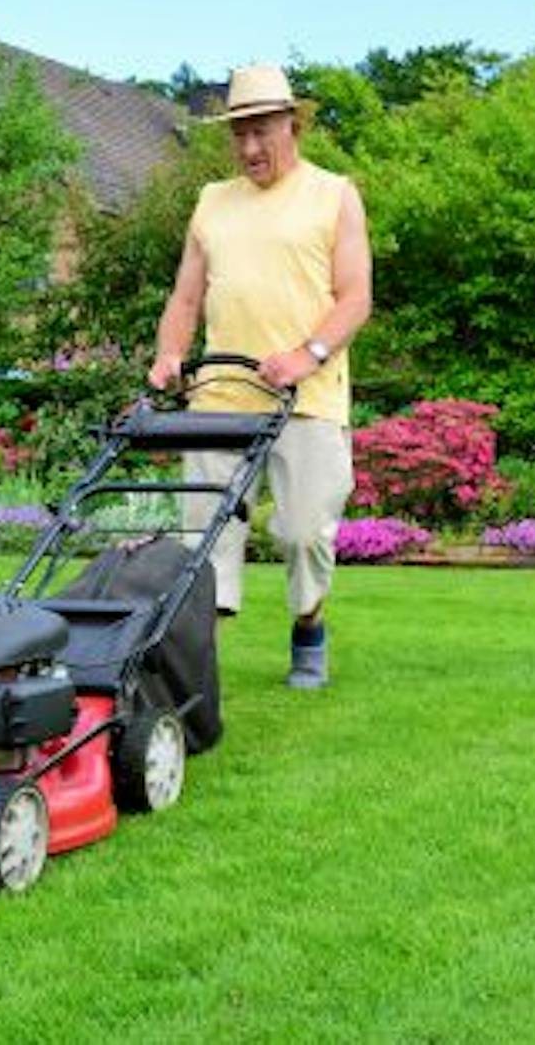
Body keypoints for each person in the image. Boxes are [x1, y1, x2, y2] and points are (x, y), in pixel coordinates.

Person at [147, 64, 372, 690]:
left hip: (307, 397)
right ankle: (200, 668)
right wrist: (169, 354)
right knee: (207, 535)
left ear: (292, 125)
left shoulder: (333, 194)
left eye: (261, 132)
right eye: (239, 134)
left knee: (303, 533)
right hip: (219, 396)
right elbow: (185, 298)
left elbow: (355, 297)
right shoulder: (212, 202)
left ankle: (308, 624)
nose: (249, 147)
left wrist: (308, 353)